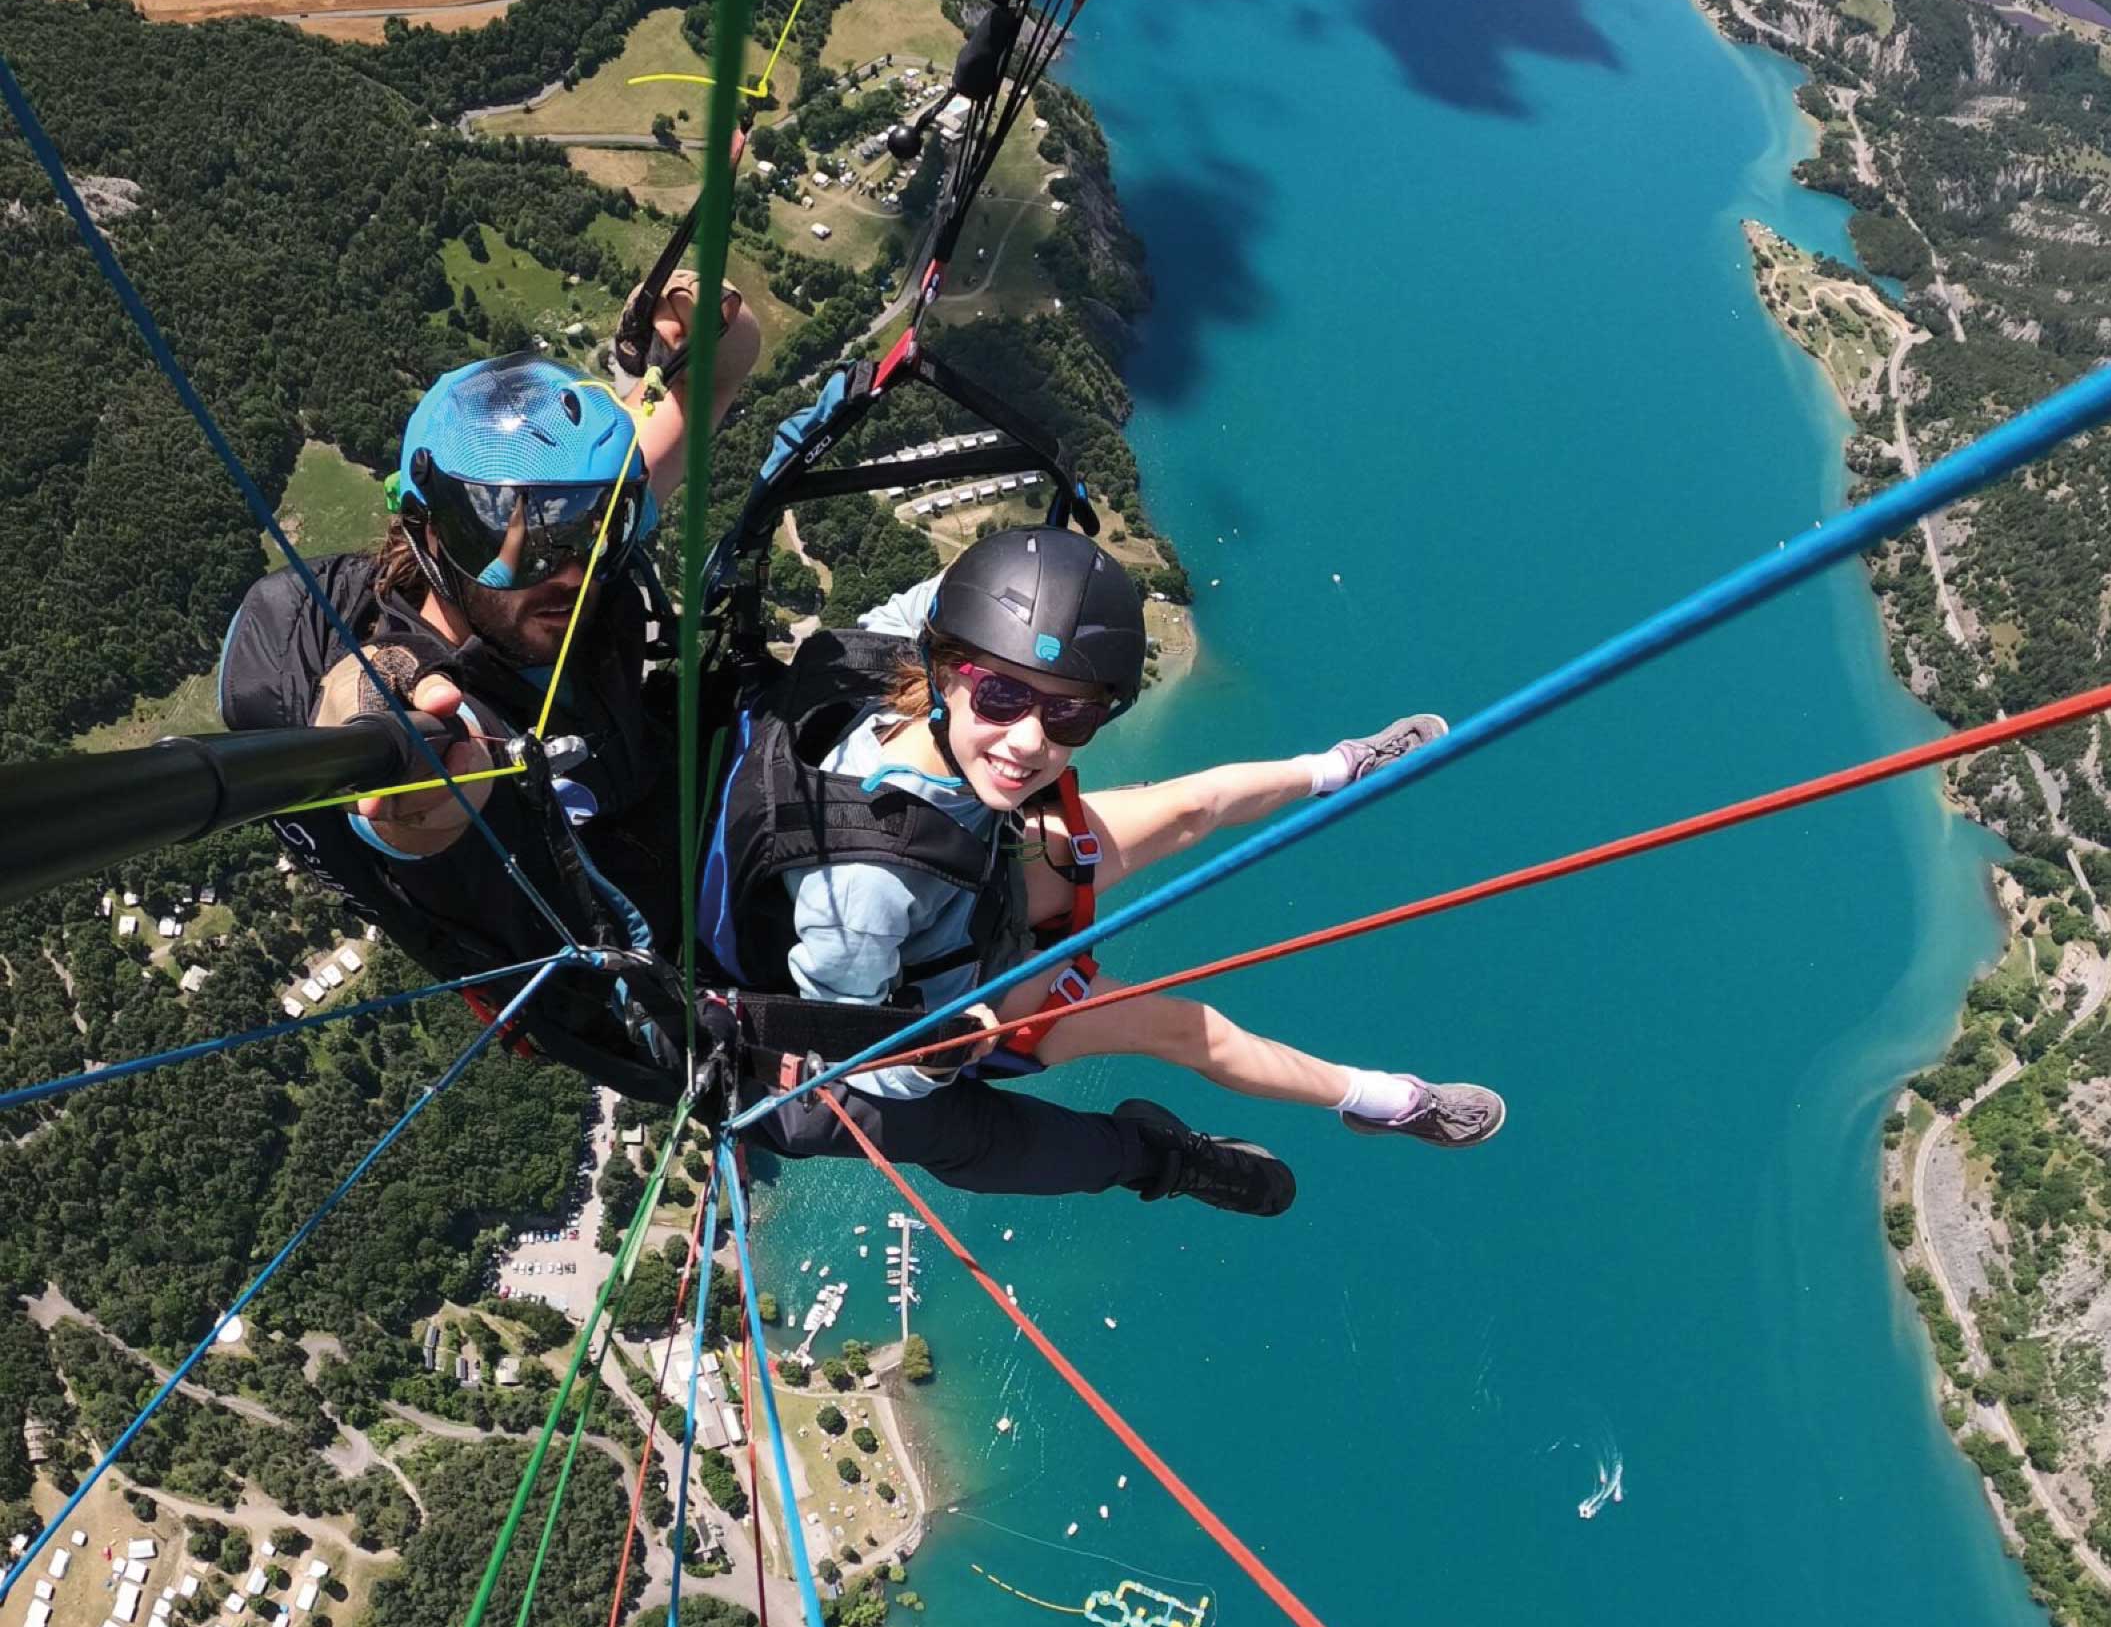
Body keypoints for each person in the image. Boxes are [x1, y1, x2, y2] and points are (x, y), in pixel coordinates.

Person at [713, 524, 1505, 1215]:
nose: (1029, 742)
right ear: (948, 671)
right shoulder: (861, 896)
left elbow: (961, 598)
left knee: (1194, 805)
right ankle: (1384, 1100)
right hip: (960, 981)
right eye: (1001, 698)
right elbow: (855, 1059)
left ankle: (1339, 769)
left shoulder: (898, 649)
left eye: (1071, 714)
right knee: (1188, 1028)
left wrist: (1052, 574)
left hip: (976, 872)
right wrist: (944, 1055)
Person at [218, 273, 760, 1096]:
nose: (565, 571)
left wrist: (710, 312)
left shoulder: (570, 544)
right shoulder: (421, 685)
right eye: (519, 538)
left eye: (591, 529)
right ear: (430, 534)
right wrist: (392, 775)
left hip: (672, 835)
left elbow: (719, 378)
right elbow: (395, 782)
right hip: (647, 979)